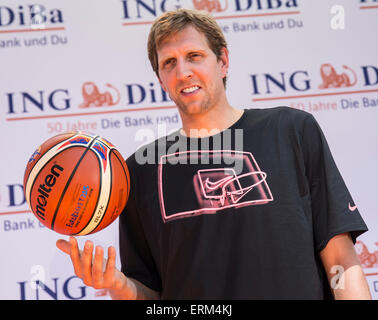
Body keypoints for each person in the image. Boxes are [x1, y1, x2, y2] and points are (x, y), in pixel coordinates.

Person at [56, 8, 371, 300]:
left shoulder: (290, 129)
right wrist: (118, 285)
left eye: (194, 56)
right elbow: (152, 297)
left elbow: (340, 257)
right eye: (169, 63)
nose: (183, 72)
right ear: (160, 79)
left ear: (223, 61)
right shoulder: (138, 171)